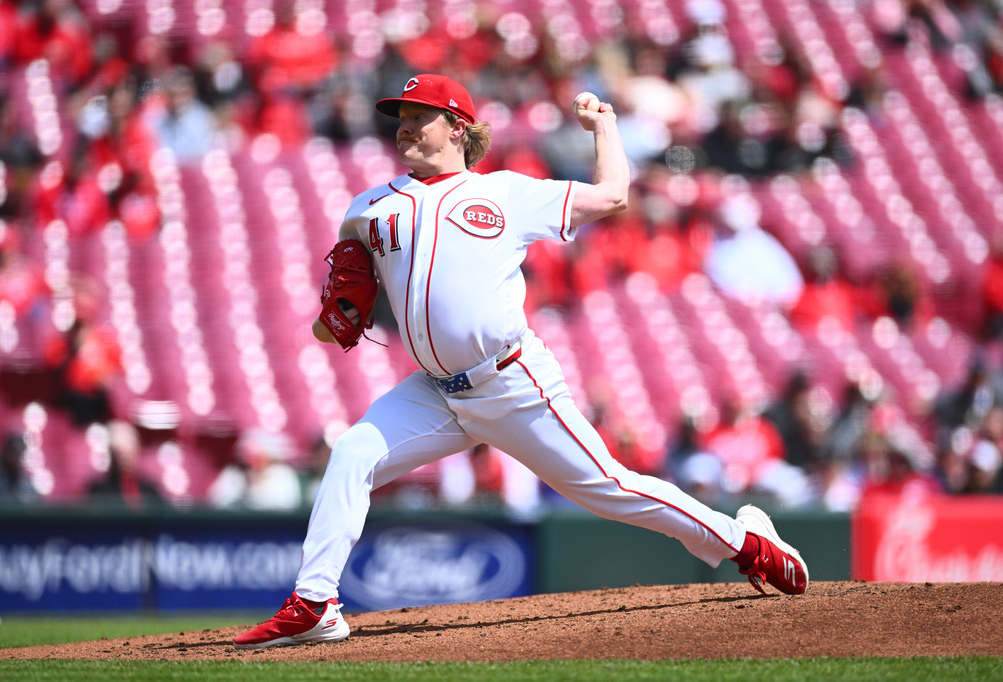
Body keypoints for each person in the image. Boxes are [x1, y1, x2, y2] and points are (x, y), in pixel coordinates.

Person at [234, 74, 809, 650]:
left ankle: (747, 543)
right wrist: (335, 316)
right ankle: (315, 603)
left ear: (458, 127)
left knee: (609, 487)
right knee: (353, 453)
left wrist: (604, 127)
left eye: (420, 114)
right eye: (400, 115)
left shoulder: (507, 193)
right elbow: (332, 327)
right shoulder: (367, 208)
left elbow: (613, 194)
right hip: (435, 393)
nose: (405, 124)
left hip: (511, 383)